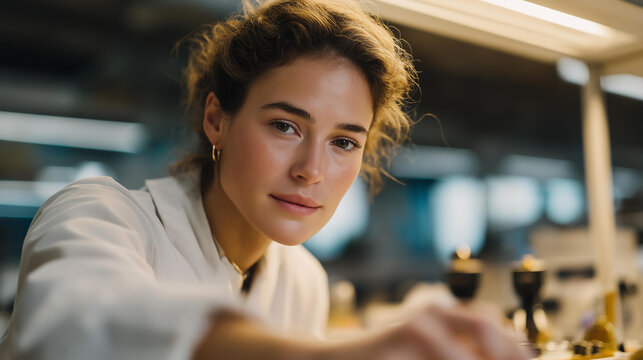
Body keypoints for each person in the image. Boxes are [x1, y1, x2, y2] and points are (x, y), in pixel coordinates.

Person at [0, 0, 530, 359]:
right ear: (217, 120)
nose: (311, 169)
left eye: (344, 141)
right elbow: (77, 324)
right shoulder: (99, 214)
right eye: (284, 126)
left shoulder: (302, 282)